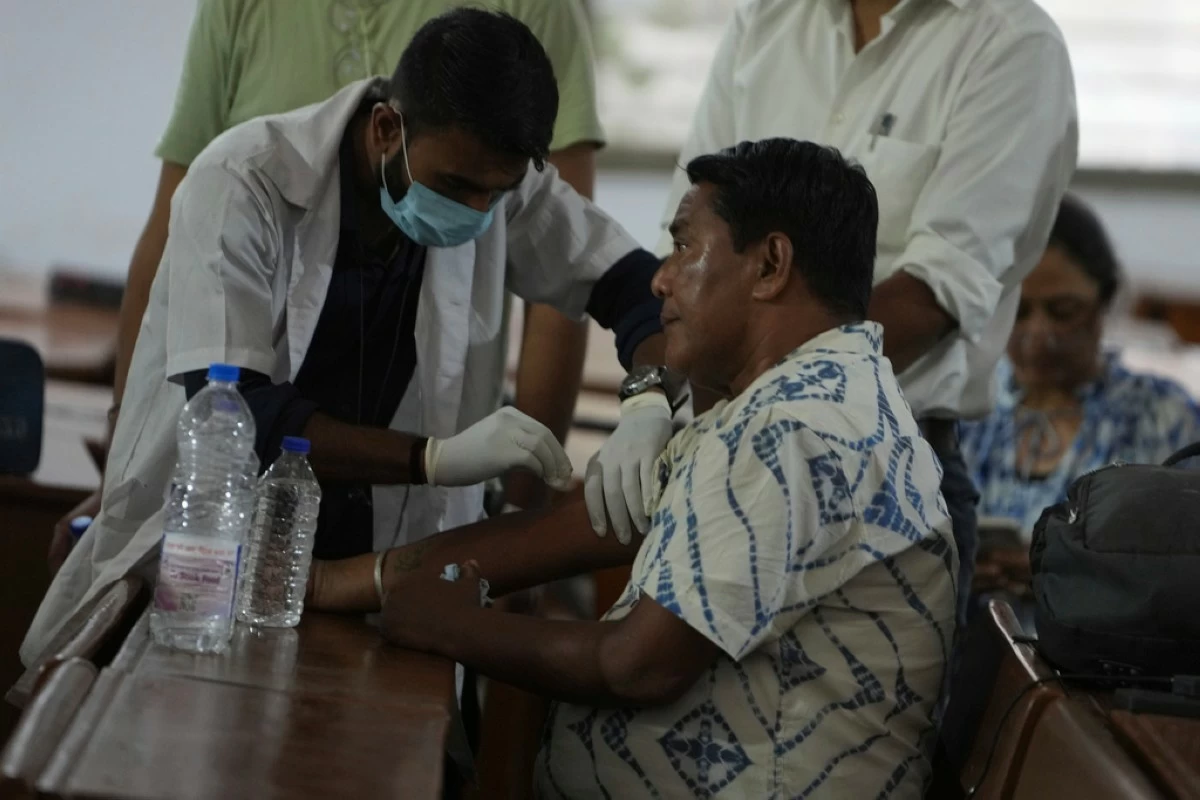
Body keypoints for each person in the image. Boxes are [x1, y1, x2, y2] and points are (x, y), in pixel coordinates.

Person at [307, 139, 959, 798]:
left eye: (683, 247)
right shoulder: (803, 397)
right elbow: (592, 524)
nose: (660, 278)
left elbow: (636, 667)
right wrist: (337, 582)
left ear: (771, 264)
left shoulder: (796, 428)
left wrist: (447, 623)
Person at [21, 10, 671, 665]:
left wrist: (647, 399)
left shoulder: (500, 186)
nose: (476, 216)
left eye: (493, 197)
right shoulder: (244, 181)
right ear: (388, 128)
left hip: (370, 576)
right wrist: (433, 460)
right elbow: (238, 410)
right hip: (211, 556)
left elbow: (639, 286)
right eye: (455, 188)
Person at [647, 0, 1078, 625]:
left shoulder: (1010, 41)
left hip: (884, 466)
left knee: (847, 720)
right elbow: (691, 232)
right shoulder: (766, 20)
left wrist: (754, 416)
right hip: (720, 435)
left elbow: (940, 288)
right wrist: (677, 419)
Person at [962, 194, 1200, 562]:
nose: (1040, 334)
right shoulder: (969, 410)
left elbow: (1182, 567)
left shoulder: (1162, 419)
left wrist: (1064, 577)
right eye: (1018, 312)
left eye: (1063, 311)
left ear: (1104, 302)